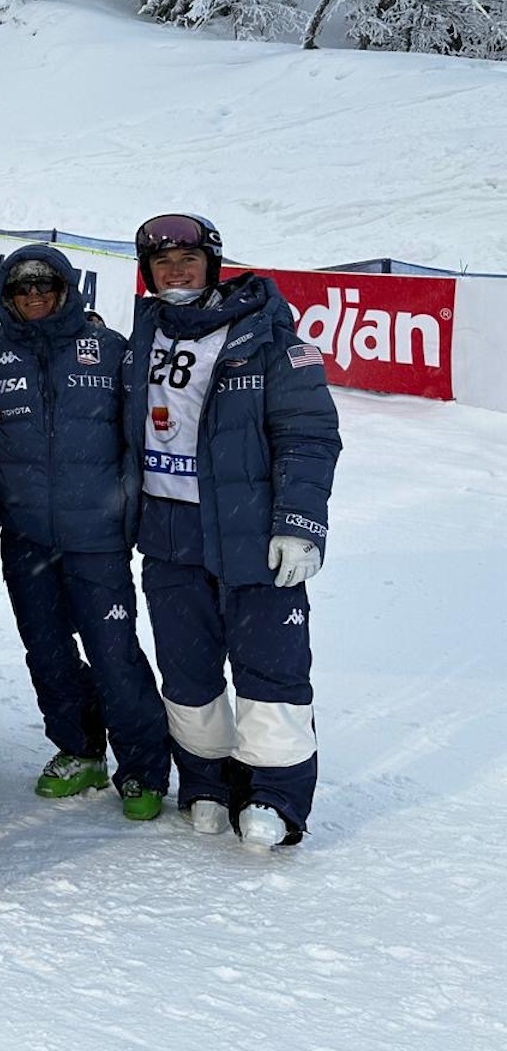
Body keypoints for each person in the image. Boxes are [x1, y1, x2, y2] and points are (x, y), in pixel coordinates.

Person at [124, 213, 341, 848]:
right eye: (163, 263)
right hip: (168, 535)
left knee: (270, 670)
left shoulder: (268, 335)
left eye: (189, 258)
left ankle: (274, 795)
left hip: (251, 533)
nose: (177, 270)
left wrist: (300, 525)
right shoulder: (143, 333)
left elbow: (308, 433)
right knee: (187, 673)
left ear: (214, 263)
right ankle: (206, 780)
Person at [0, 245, 170, 817]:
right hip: (25, 534)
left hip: (98, 537)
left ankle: (142, 767)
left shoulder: (109, 350)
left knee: (114, 653)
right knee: (47, 651)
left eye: (46, 287)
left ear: (66, 291)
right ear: (6, 297)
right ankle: (80, 749)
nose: (34, 297)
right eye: (22, 289)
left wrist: (132, 512)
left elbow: (142, 437)